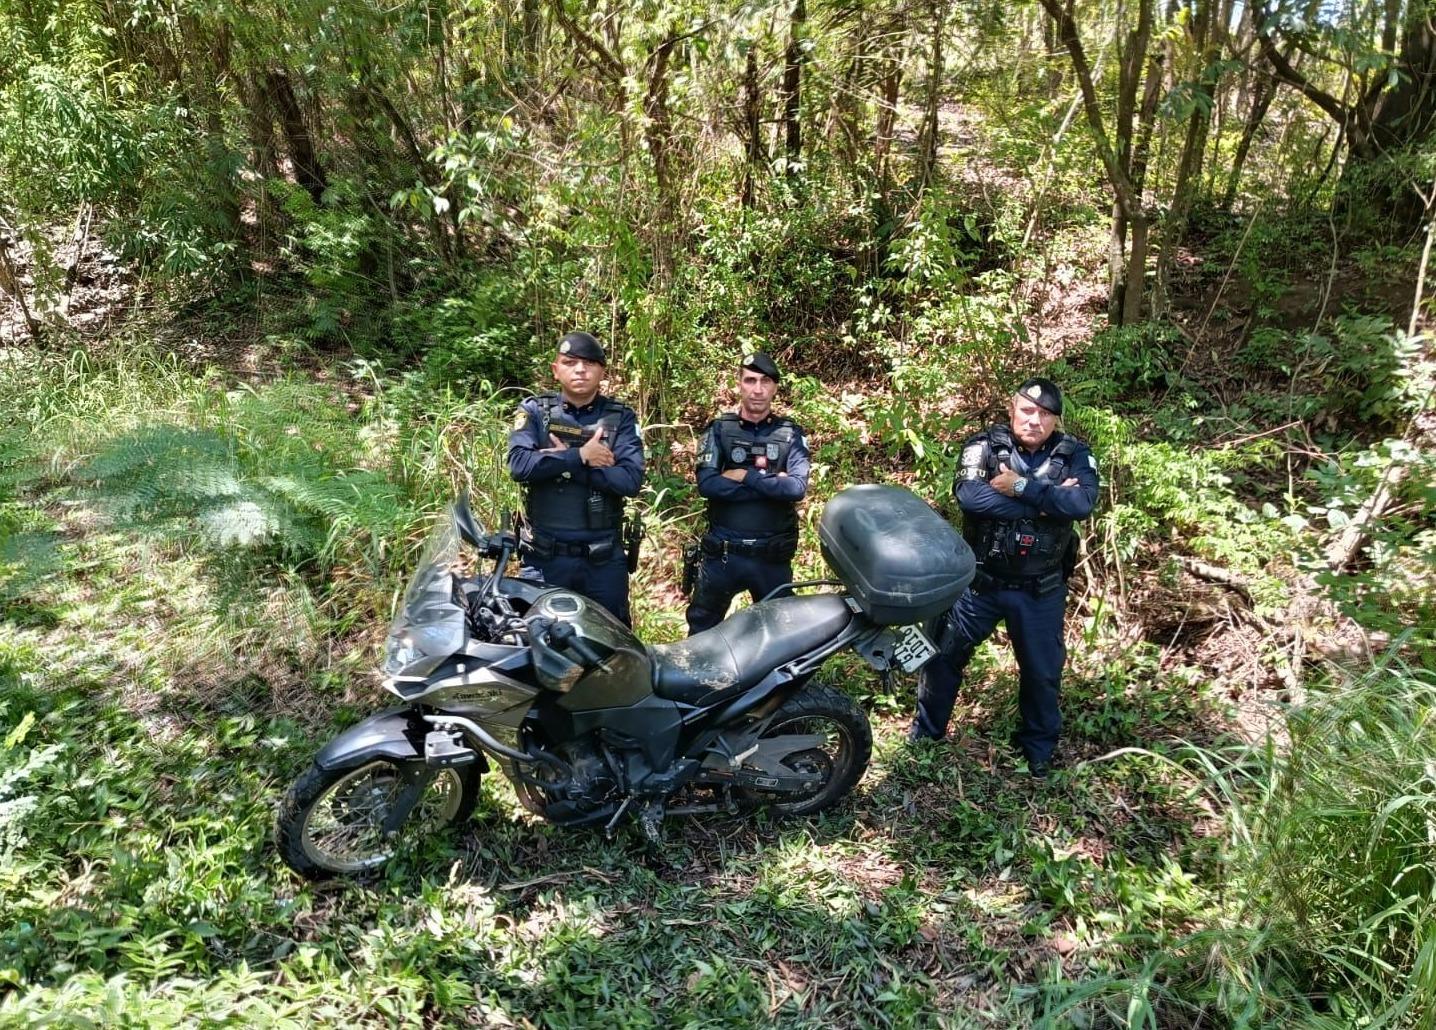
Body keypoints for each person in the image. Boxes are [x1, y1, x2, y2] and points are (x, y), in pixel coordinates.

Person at [910, 377, 1099, 778]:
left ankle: (1038, 751)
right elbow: (970, 497)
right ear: (1012, 411)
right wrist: (1047, 503)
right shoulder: (983, 446)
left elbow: (1081, 502)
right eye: (1027, 411)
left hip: (1040, 590)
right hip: (979, 584)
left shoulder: (1075, 454)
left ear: (1055, 421)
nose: (1034, 420)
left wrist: (1020, 486)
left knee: (1043, 672)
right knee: (943, 657)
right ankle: (926, 738)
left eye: (1045, 414)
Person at [508, 331, 644, 625]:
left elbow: (630, 480)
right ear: (556, 370)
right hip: (544, 561)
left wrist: (556, 461)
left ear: (602, 371)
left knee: (611, 652)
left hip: (603, 563)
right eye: (570, 362)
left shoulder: (620, 417)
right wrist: (581, 457)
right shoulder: (535, 412)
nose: (580, 369)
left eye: (589, 363)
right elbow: (519, 465)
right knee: (534, 645)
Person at [685, 351, 810, 635]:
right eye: (750, 380)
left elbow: (796, 488)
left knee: (781, 639)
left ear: (775, 387)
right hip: (723, 556)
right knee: (702, 631)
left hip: (771, 559)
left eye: (765, 381)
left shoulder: (790, 434)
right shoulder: (719, 430)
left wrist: (744, 475)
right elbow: (708, 485)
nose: (757, 389)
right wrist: (771, 485)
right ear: (739, 384)